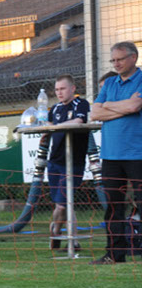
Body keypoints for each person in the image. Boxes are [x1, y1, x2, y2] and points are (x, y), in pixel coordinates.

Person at [89, 41, 142, 264]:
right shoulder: (110, 82)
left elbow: (134, 107)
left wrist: (109, 105)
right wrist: (123, 106)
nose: (116, 63)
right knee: (113, 208)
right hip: (111, 155)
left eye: (120, 59)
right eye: (113, 60)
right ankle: (114, 254)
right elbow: (94, 112)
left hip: (137, 154)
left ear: (133, 57)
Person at [46, 75, 91, 251]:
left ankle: (61, 234)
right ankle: (66, 236)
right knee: (63, 203)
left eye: (62, 89)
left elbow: (79, 121)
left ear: (72, 89)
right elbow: (48, 125)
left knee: (63, 203)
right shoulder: (55, 108)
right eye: (57, 90)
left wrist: (58, 126)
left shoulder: (81, 104)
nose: (59, 93)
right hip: (55, 160)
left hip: (73, 161)